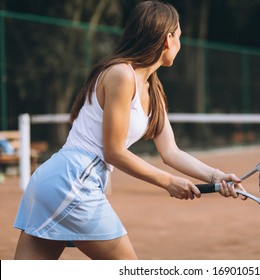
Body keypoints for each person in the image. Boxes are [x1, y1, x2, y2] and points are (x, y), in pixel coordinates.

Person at [13, 1, 246, 260]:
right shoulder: (121, 75)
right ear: (168, 40)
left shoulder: (153, 89)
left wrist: (216, 176)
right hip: (73, 181)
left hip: (56, 182)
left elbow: (171, 151)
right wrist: (168, 182)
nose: (181, 44)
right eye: (180, 36)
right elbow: (114, 152)